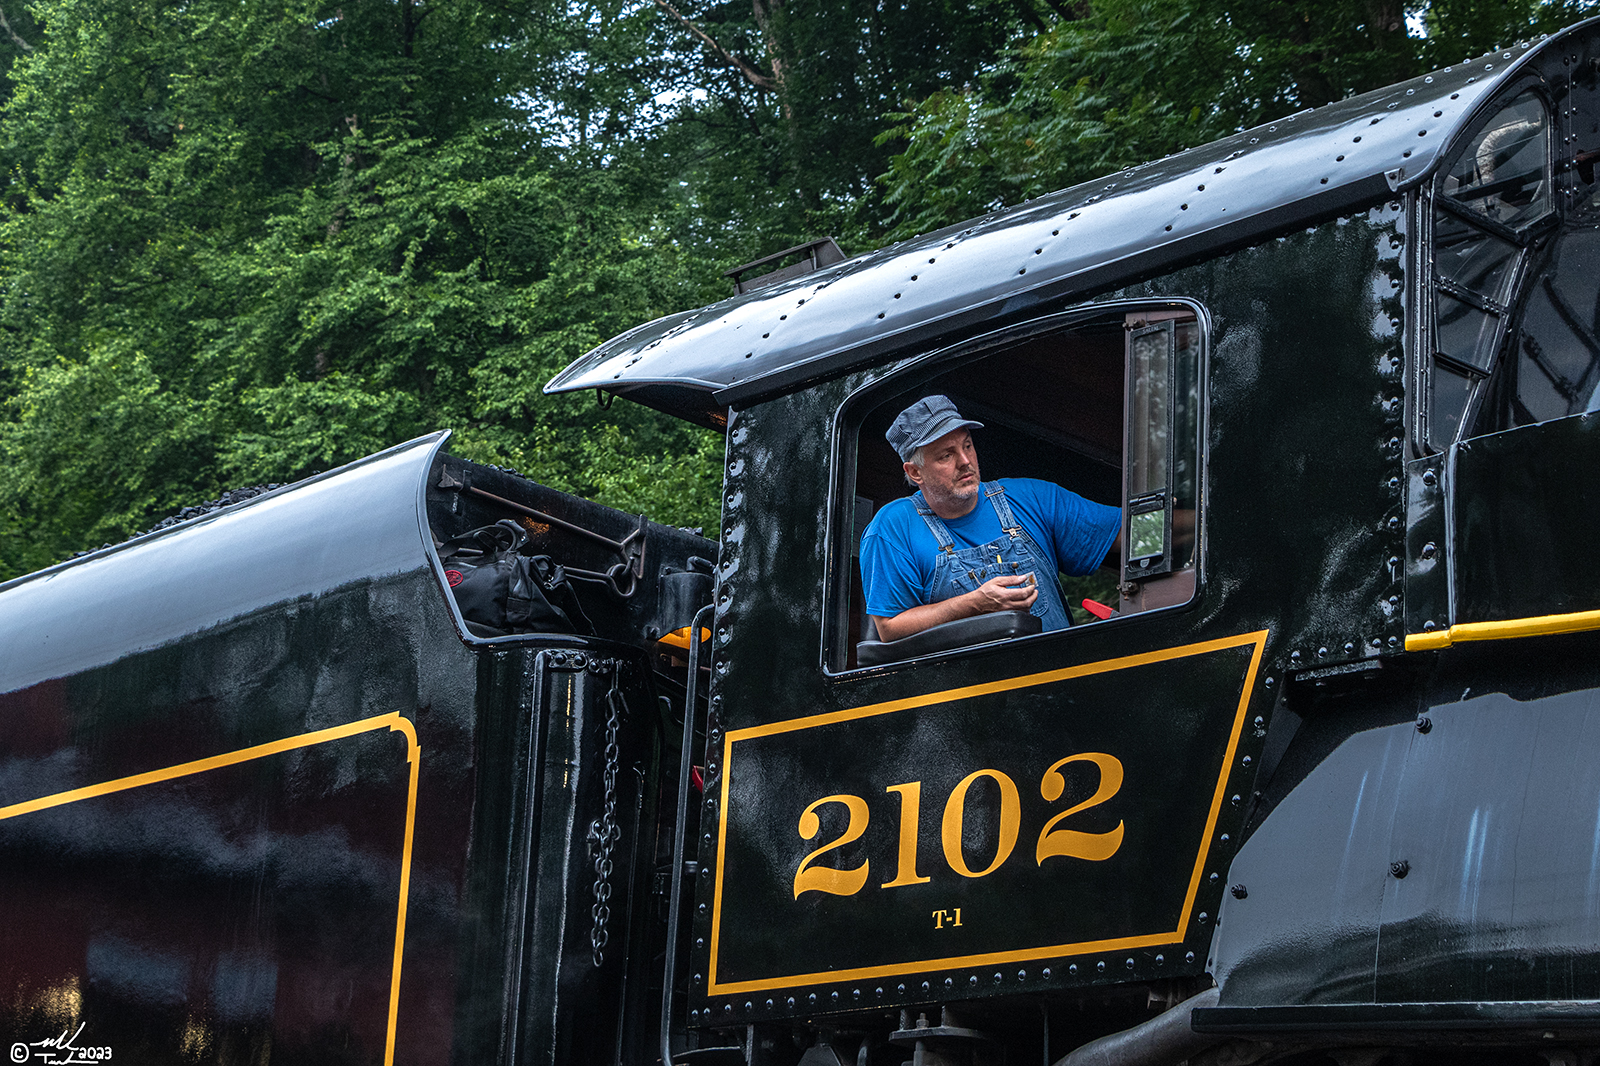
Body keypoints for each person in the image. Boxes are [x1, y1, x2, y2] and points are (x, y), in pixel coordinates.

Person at [859, 395, 1121, 643]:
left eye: (967, 445)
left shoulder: (1032, 498)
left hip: (1059, 682)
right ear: (915, 472)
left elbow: (1132, 532)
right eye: (946, 455)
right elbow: (889, 627)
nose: (965, 461)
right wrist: (974, 604)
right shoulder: (892, 528)